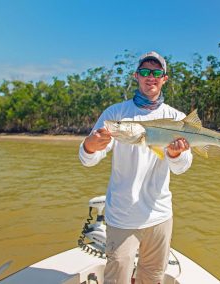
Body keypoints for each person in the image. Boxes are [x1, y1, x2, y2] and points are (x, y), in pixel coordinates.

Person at [79, 51, 193, 284]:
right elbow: (88, 159)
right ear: (136, 76)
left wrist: (174, 154)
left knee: (152, 278)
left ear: (164, 79)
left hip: (160, 215)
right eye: (144, 72)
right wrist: (89, 146)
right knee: (116, 277)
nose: (150, 77)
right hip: (122, 217)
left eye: (156, 72)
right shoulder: (115, 114)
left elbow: (183, 167)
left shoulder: (177, 117)